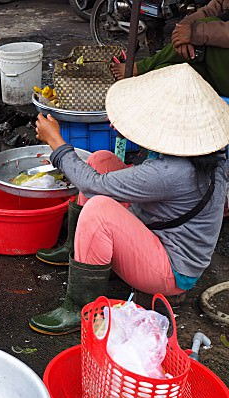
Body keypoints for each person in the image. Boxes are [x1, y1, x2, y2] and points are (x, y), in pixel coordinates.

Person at [30, 64, 229, 335]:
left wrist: (57, 145)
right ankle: (75, 252)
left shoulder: (173, 172)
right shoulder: (203, 153)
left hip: (171, 271)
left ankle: (79, 307)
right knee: (101, 160)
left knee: (98, 207)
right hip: (158, 235)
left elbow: (92, 186)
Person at [111, 0, 229, 97]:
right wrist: (183, 29)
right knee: (168, 70)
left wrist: (194, 33)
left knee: (207, 24)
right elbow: (212, 9)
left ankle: (140, 67)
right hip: (217, 67)